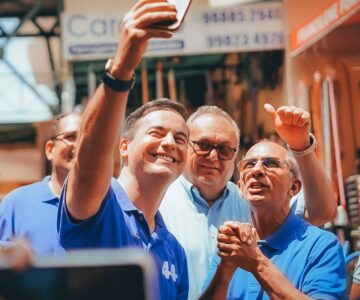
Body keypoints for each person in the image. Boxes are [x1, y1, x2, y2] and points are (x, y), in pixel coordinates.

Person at [58, 1, 189, 299]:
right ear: (124, 146)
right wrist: (120, 70)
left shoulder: (173, 249)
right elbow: (88, 162)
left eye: (181, 138)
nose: (169, 143)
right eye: (157, 133)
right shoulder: (99, 207)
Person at [159, 103, 336, 299]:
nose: (213, 156)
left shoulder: (317, 245)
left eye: (224, 149)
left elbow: (322, 212)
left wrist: (301, 146)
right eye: (203, 145)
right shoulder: (157, 202)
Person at [200, 140, 346, 300]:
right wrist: (225, 270)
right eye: (249, 164)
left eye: (271, 164)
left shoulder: (321, 246)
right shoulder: (234, 244)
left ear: (294, 187)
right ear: (240, 187)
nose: (257, 170)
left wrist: (257, 263)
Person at [0, 113, 81, 255]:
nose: (80, 145)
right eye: (71, 137)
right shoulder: (17, 203)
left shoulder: (109, 204)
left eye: (87, 138)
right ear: (50, 149)